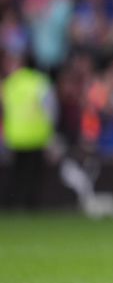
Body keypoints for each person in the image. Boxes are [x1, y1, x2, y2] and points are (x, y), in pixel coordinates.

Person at [1, 53, 57, 209]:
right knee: (34, 175)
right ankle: (31, 206)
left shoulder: (8, 84)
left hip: (15, 137)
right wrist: (50, 135)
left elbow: (4, 111)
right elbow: (51, 110)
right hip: (37, 136)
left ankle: (12, 206)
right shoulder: (40, 83)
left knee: (16, 175)